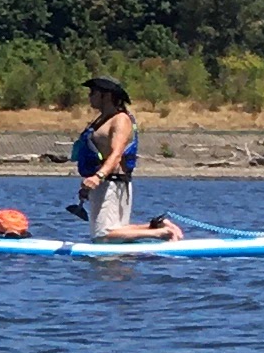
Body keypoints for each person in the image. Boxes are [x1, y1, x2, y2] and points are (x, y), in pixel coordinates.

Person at [73, 76, 183, 242]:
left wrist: (98, 177)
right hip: (103, 183)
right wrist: (89, 185)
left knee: (103, 236)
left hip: (111, 182)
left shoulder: (121, 120)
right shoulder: (101, 119)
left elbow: (116, 154)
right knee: (114, 231)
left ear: (107, 96)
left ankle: (161, 233)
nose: (90, 96)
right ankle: (158, 226)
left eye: (93, 92)